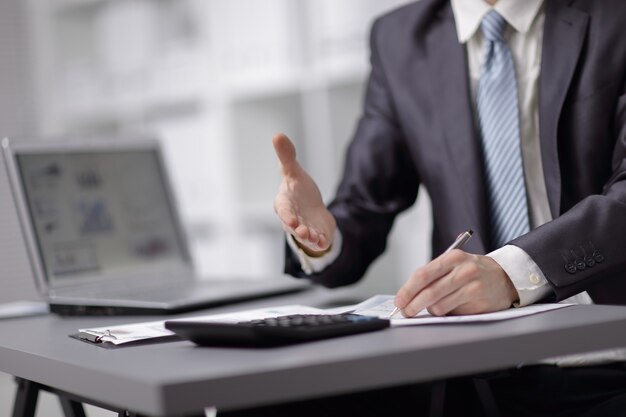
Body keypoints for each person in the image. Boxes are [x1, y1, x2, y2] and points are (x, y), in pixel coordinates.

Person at [226, 0, 626, 416]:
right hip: (464, 372)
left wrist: (511, 274)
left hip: (603, 358)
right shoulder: (399, 38)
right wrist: (318, 235)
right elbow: (364, 206)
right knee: (258, 402)